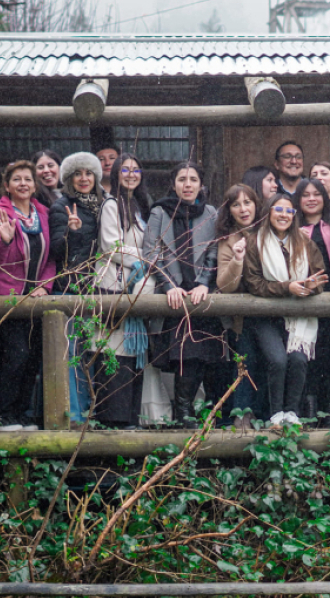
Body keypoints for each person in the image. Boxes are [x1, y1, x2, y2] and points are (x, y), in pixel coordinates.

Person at [0, 160, 56, 429]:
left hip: (34, 298)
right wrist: (5, 241)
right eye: (17, 179)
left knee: (31, 358)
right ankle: (2, 415)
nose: (23, 184)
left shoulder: (43, 214)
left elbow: (50, 258)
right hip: (4, 296)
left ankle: (20, 413)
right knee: (14, 356)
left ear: (34, 185)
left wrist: (44, 285)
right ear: (7, 186)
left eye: (28, 179)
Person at [142, 162, 221, 429]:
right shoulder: (159, 212)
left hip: (200, 293)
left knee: (201, 354)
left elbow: (214, 251)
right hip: (173, 294)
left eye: (193, 179)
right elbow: (150, 254)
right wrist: (169, 286)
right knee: (184, 354)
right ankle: (183, 412)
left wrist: (204, 284)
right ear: (173, 184)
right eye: (182, 179)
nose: (187, 185)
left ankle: (188, 411)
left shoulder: (210, 213)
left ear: (201, 184)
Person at [243, 192, 328, 426]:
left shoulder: (305, 243)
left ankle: (292, 413)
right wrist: (287, 287)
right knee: (278, 360)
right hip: (266, 316)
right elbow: (254, 283)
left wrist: (310, 287)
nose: (284, 215)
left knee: (299, 360)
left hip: (299, 316)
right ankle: (275, 414)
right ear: (268, 213)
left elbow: (320, 278)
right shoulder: (255, 242)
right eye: (278, 210)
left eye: (289, 211)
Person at [90, 153, 155, 430]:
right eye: (125, 170)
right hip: (113, 286)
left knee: (132, 353)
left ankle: (130, 417)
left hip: (137, 287)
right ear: (116, 174)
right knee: (113, 352)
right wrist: (144, 259)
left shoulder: (139, 206)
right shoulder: (111, 204)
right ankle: (112, 420)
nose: (131, 174)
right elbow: (111, 246)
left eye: (136, 170)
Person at [49, 152, 106, 424]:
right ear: (69, 179)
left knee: (90, 353)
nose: (84, 178)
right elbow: (55, 251)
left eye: (89, 173)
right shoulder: (62, 206)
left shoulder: (102, 205)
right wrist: (70, 232)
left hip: (95, 289)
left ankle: (89, 412)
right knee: (71, 353)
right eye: (78, 174)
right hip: (69, 288)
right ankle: (73, 415)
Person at [214, 183, 263, 429]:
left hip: (275, 311)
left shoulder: (269, 230)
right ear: (229, 210)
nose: (243, 209)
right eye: (236, 204)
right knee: (245, 362)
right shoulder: (228, 239)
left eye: (247, 202)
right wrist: (237, 259)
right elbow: (225, 285)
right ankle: (241, 416)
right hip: (243, 317)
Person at [293, 178, 330, 424]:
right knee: (308, 355)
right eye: (305, 195)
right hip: (303, 298)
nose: (311, 199)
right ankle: (309, 411)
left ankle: (329, 411)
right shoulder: (293, 228)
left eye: (316, 194)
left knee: (329, 355)